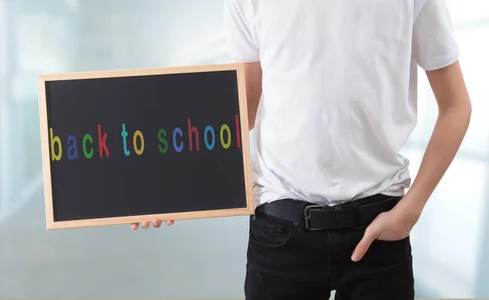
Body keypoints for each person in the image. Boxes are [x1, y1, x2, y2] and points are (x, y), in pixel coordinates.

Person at [131, 0, 471, 299]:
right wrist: (171, 186)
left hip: (381, 226)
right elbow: (245, 105)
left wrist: (411, 209)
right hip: (281, 229)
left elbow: (455, 106)